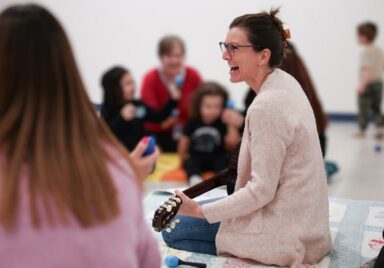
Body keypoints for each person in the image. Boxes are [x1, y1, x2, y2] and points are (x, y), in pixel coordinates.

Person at [162, 9, 332, 267]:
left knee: (173, 229)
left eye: (234, 48)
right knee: (210, 210)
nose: (224, 55)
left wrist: (199, 211)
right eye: (224, 46)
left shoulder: (267, 105)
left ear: (263, 56)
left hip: (288, 232)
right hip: (308, 224)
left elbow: (261, 191)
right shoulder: (284, 82)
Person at [0, 4, 160, 268]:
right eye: (127, 83)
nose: (132, 88)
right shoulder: (116, 170)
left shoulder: (116, 163)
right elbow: (148, 260)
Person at [141, 35, 202, 152]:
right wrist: (163, 123)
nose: (174, 61)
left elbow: (202, 107)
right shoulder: (150, 78)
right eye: (169, 56)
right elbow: (149, 116)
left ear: (184, 56)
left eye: (178, 56)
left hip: (188, 135)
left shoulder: (193, 75)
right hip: (160, 136)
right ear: (161, 57)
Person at [101, 66, 180, 151]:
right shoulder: (107, 109)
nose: (132, 87)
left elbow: (158, 117)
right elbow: (105, 135)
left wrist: (173, 100)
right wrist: (121, 118)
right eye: (127, 84)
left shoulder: (137, 104)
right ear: (114, 88)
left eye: (132, 83)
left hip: (141, 154)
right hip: (120, 156)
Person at [178, 82, 241, 185]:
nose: (213, 110)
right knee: (190, 163)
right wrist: (181, 160)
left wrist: (231, 124)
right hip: (197, 157)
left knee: (224, 162)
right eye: (208, 106)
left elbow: (231, 145)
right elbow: (184, 140)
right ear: (199, 106)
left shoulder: (222, 122)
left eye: (217, 106)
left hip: (217, 156)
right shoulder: (193, 121)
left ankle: (221, 180)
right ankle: (195, 178)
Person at [355, 22, 384, 139]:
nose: (357, 38)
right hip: (378, 83)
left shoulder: (366, 52)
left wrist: (362, 85)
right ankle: (380, 128)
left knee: (363, 107)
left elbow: (367, 69)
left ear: (364, 37)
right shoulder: (378, 51)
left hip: (368, 84)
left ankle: (362, 129)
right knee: (376, 107)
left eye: (358, 36)